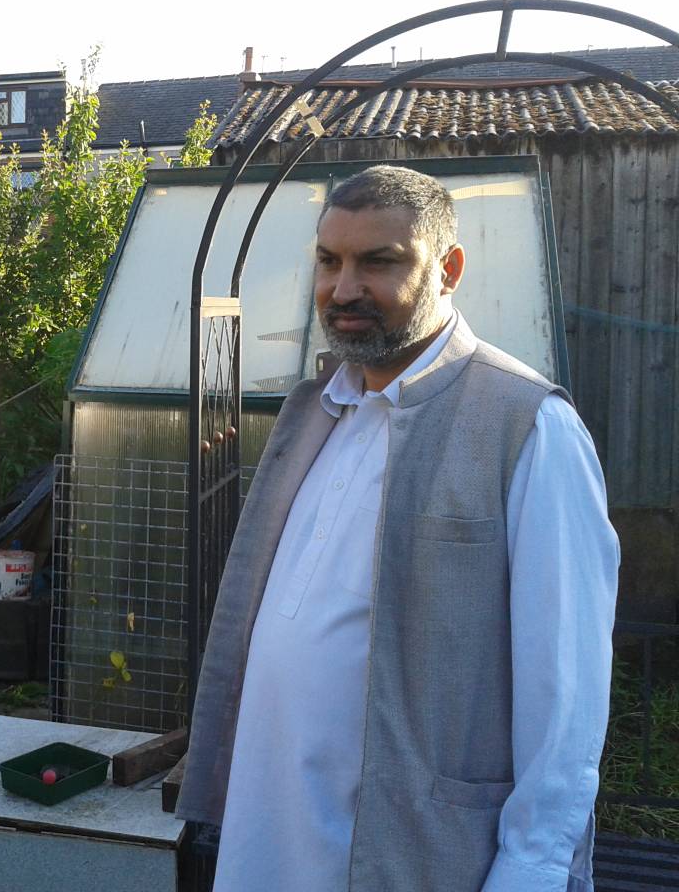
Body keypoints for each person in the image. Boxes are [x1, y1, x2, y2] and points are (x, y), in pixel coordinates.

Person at [176, 165, 619, 892]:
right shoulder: (320, 410)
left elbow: (566, 691)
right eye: (329, 261)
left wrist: (531, 871)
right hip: (270, 837)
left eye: (378, 262)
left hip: (415, 852)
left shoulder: (529, 425)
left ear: (448, 270)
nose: (344, 289)